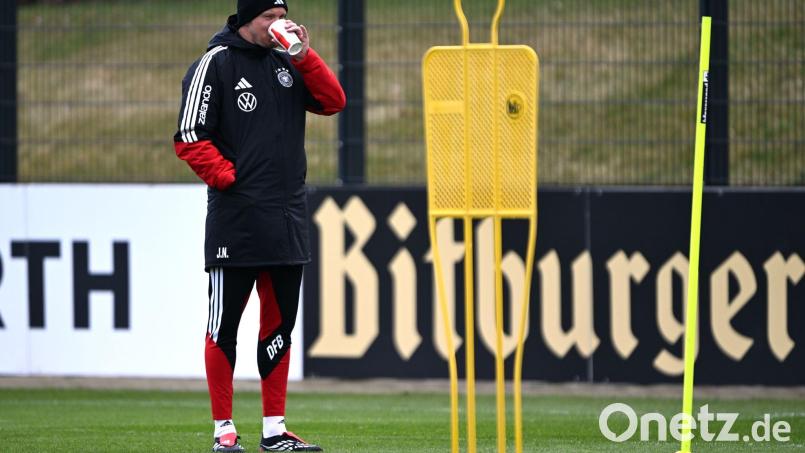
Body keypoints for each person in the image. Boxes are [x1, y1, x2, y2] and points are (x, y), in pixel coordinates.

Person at [172, 0, 345, 451]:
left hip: (288, 218)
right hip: (239, 221)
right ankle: (223, 430)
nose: (278, 24)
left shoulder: (286, 63)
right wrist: (234, 180)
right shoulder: (215, 63)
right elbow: (190, 137)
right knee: (223, 326)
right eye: (269, 17)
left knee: (280, 329)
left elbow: (334, 101)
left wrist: (304, 55)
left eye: (282, 16)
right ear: (247, 20)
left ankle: (274, 429)